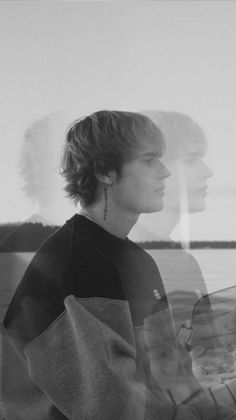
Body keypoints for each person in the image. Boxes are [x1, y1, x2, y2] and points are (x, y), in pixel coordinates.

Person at [1, 110, 235, 420]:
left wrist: (220, 404)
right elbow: (113, 408)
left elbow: (173, 379)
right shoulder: (80, 263)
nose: (165, 172)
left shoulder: (138, 260)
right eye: (149, 160)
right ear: (104, 172)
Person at [130, 111, 213, 331]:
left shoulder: (185, 262)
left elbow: (208, 352)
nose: (208, 172)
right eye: (191, 160)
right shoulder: (124, 258)